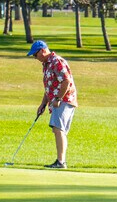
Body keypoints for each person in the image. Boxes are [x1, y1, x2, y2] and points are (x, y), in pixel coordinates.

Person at [27, 40, 78, 169]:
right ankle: (61, 161)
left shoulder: (57, 62)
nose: (35, 58)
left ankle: (61, 162)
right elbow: (49, 87)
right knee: (58, 129)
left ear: (43, 50)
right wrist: (43, 104)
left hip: (64, 100)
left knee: (58, 129)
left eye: (35, 55)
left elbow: (66, 81)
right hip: (57, 100)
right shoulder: (46, 64)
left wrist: (58, 98)